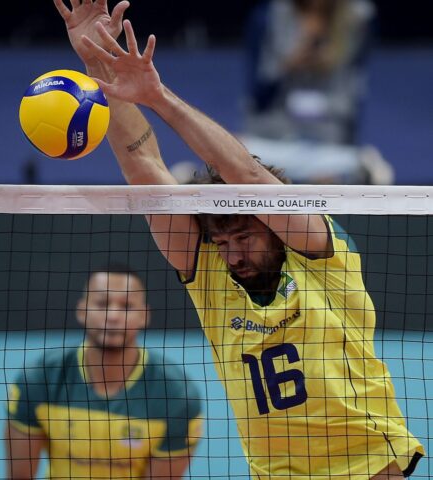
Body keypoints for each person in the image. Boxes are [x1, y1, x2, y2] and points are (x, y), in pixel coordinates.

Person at [78, 12, 424, 478]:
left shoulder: (321, 256)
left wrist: (156, 96)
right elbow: (145, 169)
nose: (233, 254)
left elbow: (247, 177)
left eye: (243, 237)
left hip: (367, 467)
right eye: (222, 241)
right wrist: (95, 61)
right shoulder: (212, 276)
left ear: (273, 226)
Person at [5, 264, 203, 479]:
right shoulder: (39, 379)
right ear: (82, 311)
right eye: (102, 304)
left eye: (126, 306)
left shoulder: (176, 395)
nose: (113, 316)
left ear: (144, 316)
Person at [236, 0, 391, 184]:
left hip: (327, 142)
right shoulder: (267, 17)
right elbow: (258, 98)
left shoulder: (358, 18)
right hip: (275, 136)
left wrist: (329, 66)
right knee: (239, 153)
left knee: (345, 165)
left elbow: (351, 100)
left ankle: (347, 163)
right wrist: (288, 66)